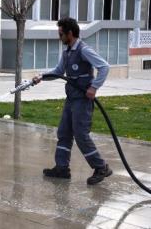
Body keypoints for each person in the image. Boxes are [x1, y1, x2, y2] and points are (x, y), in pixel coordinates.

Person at [32, 17, 111, 185]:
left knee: (81, 135)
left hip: (82, 100)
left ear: (70, 33)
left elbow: (104, 67)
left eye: (61, 34)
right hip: (71, 99)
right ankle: (62, 168)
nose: (59, 37)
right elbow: (59, 71)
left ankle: (101, 167)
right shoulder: (67, 51)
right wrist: (42, 77)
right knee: (64, 133)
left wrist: (94, 87)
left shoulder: (83, 50)